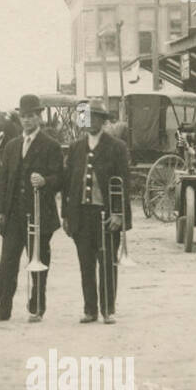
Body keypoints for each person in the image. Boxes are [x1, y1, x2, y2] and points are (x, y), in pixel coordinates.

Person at [0, 94, 64, 322]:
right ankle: (3, 309)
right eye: (23, 116)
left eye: (31, 116)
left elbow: (61, 178)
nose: (27, 120)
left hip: (40, 215)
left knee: (39, 265)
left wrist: (45, 181)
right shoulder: (12, 146)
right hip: (14, 216)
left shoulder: (51, 145)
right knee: (7, 265)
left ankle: (37, 308)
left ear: (39, 117)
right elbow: (3, 181)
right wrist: (0, 211)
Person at [62, 99, 131, 324]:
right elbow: (68, 184)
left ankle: (108, 309)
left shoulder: (117, 147)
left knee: (108, 262)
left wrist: (119, 214)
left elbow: (123, 183)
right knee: (86, 264)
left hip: (106, 215)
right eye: (87, 118)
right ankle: (89, 310)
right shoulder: (75, 147)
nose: (91, 122)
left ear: (102, 121)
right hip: (81, 215)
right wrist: (66, 214)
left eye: (95, 118)